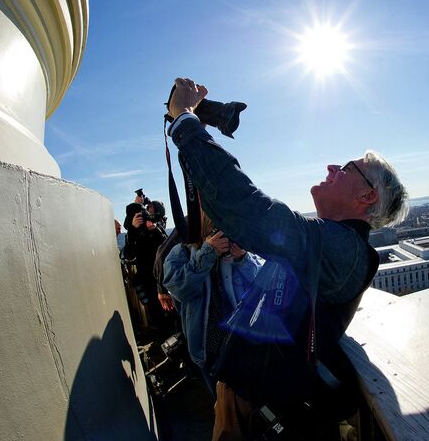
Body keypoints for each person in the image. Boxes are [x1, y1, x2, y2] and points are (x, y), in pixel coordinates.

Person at [165, 78, 409, 440]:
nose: (330, 167)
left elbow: (246, 207)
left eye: (345, 167)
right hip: (247, 399)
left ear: (366, 195)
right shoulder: (328, 243)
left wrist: (186, 120)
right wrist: (245, 255)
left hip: (261, 413)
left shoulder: (343, 250)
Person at [162, 214, 261, 396]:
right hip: (209, 347)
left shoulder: (234, 250)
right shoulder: (181, 252)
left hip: (240, 342)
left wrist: (243, 259)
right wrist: (208, 252)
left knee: (248, 397)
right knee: (222, 399)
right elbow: (179, 289)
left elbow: (261, 287)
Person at [123, 199, 169, 328]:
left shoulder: (156, 227)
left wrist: (154, 230)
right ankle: (161, 333)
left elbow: (166, 245)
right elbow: (128, 254)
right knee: (154, 309)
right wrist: (132, 230)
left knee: (168, 306)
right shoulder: (135, 232)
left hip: (161, 275)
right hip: (147, 277)